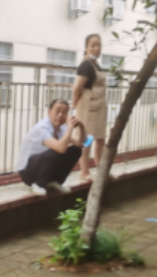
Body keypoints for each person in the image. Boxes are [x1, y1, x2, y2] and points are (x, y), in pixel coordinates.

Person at [17, 99, 87, 196]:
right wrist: (70, 128)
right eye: (57, 111)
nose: (60, 115)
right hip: (27, 172)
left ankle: (54, 181)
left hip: (44, 167)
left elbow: (81, 144)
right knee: (55, 150)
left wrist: (82, 127)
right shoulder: (42, 128)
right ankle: (38, 184)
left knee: (76, 150)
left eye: (64, 112)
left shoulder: (62, 127)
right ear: (49, 112)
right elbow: (60, 148)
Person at [72, 34, 108, 182]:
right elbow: (77, 88)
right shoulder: (86, 65)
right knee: (87, 140)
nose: (96, 48)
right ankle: (84, 172)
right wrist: (74, 104)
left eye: (99, 45)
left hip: (99, 106)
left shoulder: (96, 64)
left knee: (100, 139)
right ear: (86, 47)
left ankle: (101, 169)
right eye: (93, 45)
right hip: (88, 107)